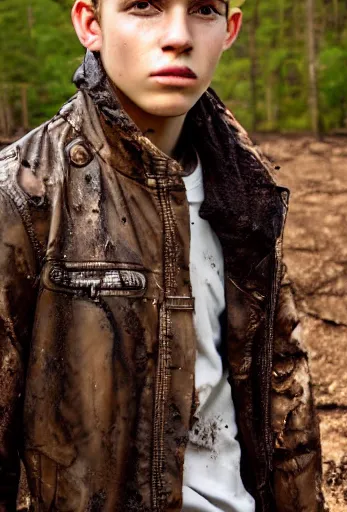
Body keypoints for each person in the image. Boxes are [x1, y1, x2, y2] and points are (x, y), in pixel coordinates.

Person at [0, 0, 324, 510]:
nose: (179, 36)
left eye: (203, 9)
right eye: (144, 6)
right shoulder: (25, 196)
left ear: (230, 29)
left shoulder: (246, 187)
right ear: (91, 24)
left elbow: (284, 393)